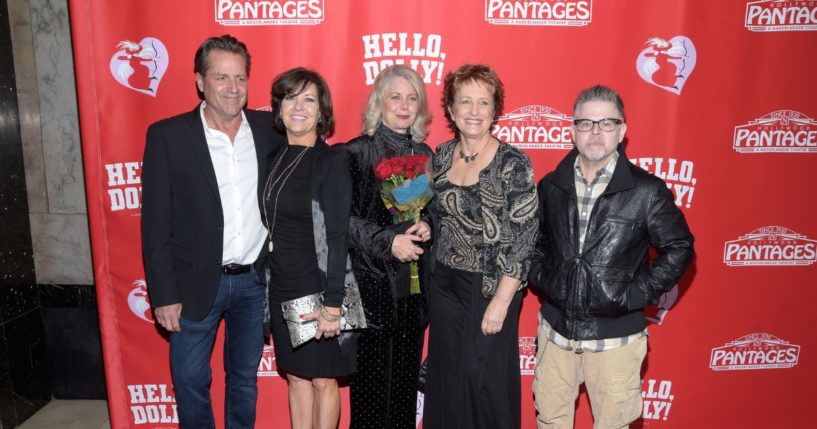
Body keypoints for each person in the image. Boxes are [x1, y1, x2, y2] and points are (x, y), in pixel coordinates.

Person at [528, 84, 694, 429]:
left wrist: (632, 295)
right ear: (573, 130)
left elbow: (679, 248)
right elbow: (534, 244)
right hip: (555, 333)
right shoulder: (550, 186)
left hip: (616, 339)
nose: (595, 133)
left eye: (606, 123)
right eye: (586, 124)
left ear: (622, 130)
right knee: (551, 422)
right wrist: (548, 280)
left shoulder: (647, 191)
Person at [141, 34, 281, 428]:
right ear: (200, 81)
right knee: (188, 380)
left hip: (254, 282)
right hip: (192, 284)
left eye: (239, 78)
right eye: (221, 77)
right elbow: (155, 224)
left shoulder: (269, 128)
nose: (232, 88)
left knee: (243, 381)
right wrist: (164, 294)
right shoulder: (168, 136)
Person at [424, 64, 538, 429]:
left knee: (483, 382)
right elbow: (428, 213)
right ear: (451, 109)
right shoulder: (440, 156)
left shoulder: (513, 162)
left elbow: (525, 237)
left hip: (491, 288)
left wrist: (502, 301)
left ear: (495, 110)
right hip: (444, 286)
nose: (474, 111)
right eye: (465, 102)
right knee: (446, 379)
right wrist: (417, 226)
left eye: (483, 103)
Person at [263, 67, 355, 429]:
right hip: (280, 285)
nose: (298, 106)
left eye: (309, 99)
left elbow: (338, 238)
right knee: (297, 377)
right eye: (290, 97)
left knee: (322, 379)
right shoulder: (273, 159)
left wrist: (333, 305)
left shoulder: (330, 161)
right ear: (279, 106)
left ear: (322, 112)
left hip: (316, 286)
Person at [343, 65, 433, 428]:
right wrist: (389, 241)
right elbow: (340, 222)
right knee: (368, 394)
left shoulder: (427, 155)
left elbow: (434, 213)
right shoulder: (355, 153)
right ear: (379, 101)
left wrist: (429, 225)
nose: (404, 105)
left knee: (405, 393)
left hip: (412, 293)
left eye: (413, 98)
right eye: (396, 96)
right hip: (368, 291)